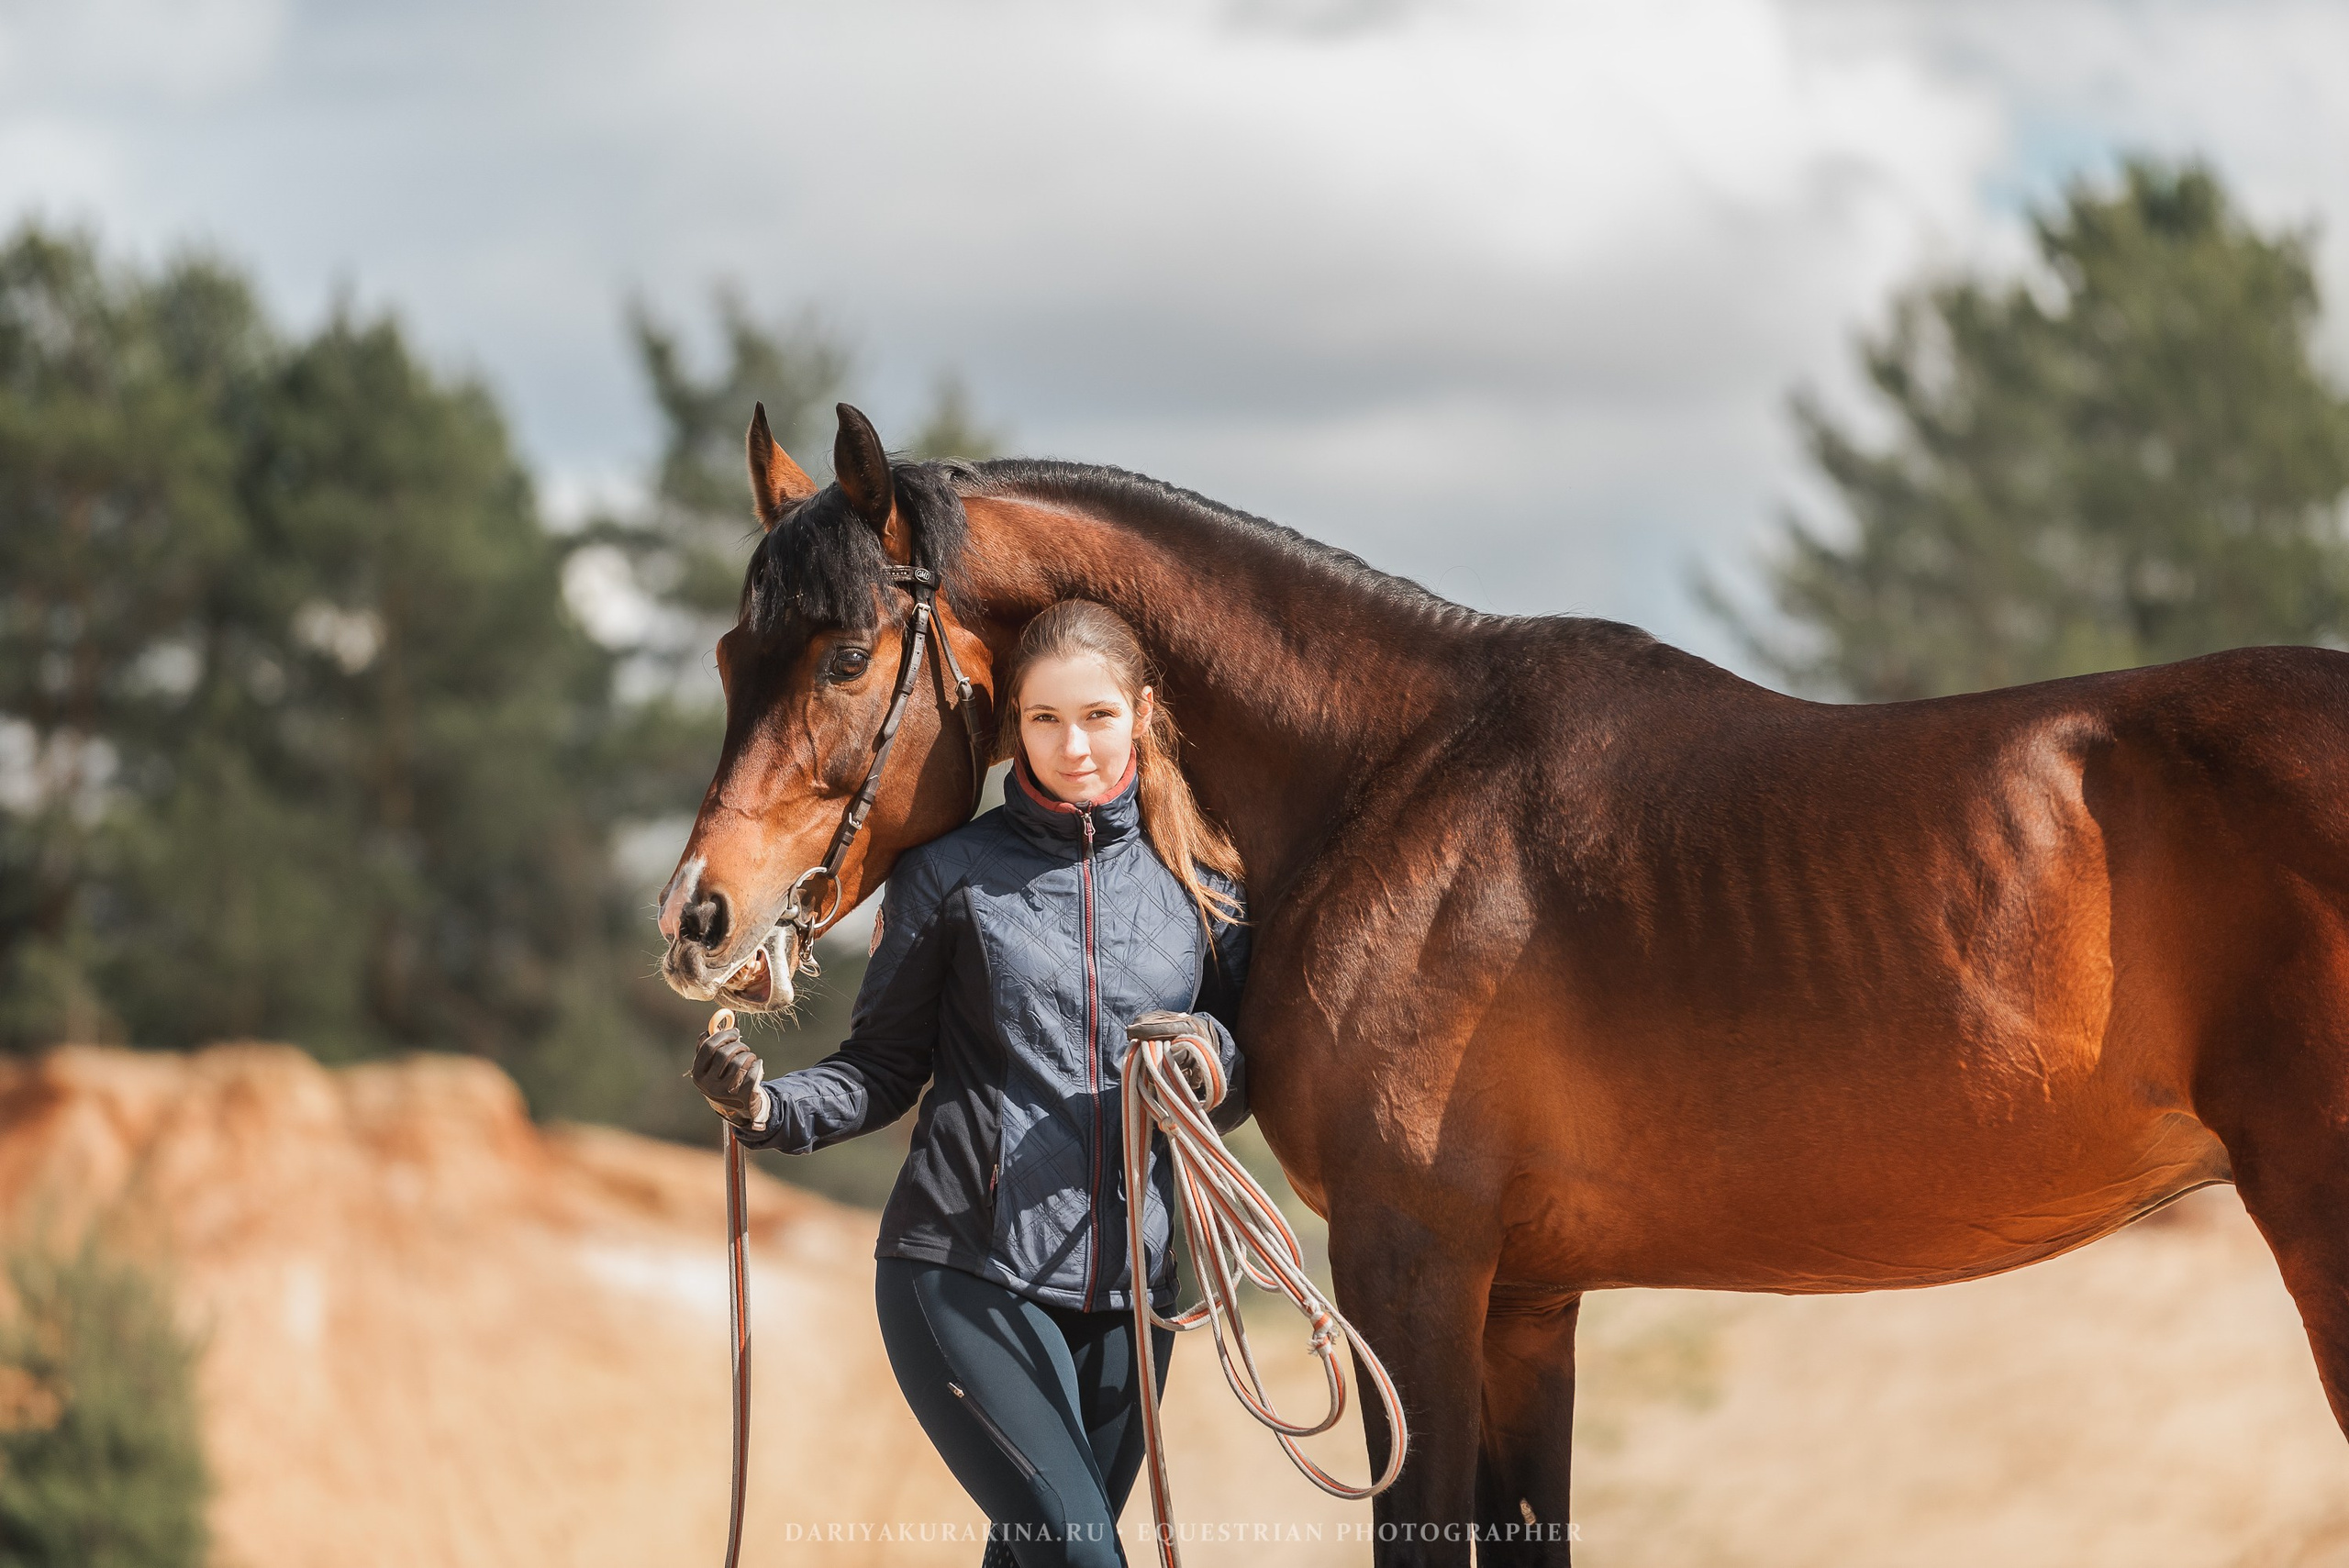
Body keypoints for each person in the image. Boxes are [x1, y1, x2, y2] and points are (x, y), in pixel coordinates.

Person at [690, 598, 1252, 1568]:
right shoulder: (949, 873)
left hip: (1133, 1293)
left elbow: (1240, 1073)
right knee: (1084, 1559)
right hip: (961, 1269)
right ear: (1012, 728)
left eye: (1097, 716)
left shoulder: (1204, 885)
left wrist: (1205, 1052)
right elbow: (879, 1067)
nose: (1073, 745)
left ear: (1143, 712)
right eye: (1044, 719)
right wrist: (767, 1106)